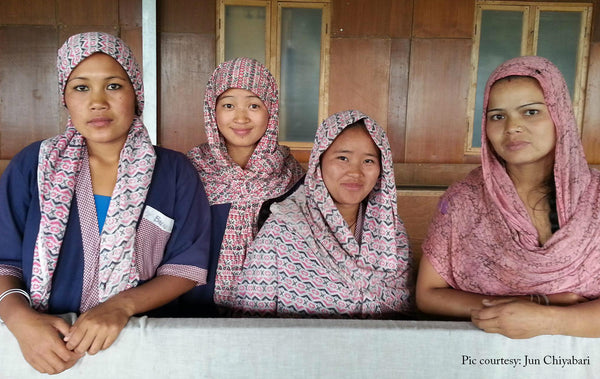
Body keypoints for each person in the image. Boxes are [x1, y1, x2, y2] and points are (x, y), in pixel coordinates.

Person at [0, 32, 211, 374]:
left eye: (113, 86)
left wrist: (121, 306)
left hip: (140, 349)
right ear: (65, 98)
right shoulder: (33, 166)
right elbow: (4, 262)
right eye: (81, 87)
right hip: (41, 349)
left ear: (136, 95)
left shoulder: (173, 172)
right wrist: (19, 319)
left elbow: (184, 268)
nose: (97, 102)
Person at [416, 56, 600, 338]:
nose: (512, 126)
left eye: (530, 112)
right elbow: (428, 294)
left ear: (559, 114)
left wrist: (547, 320)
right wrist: (537, 304)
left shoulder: (596, 198)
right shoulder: (463, 200)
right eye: (498, 116)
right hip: (483, 361)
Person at [234, 110, 413, 317]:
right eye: (343, 158)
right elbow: (250, 319)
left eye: (369, 161)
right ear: (319, 162)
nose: (355, 172)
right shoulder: (283, 229)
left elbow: (400, 315)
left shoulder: (391, 230)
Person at [185, 57, 304, 313]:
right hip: (195, 306)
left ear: (270, 110)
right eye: (228, 105)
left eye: (253, 105)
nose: (241, 118)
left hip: (273, 307)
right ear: (212, 111)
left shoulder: (292, 176)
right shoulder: (190, 172)